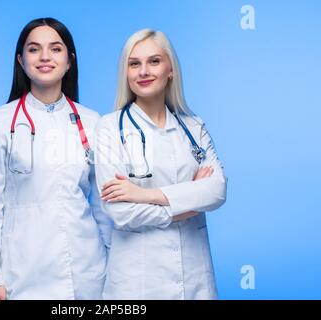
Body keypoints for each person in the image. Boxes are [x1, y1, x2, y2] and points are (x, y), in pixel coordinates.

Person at [0, 17, 111, 300]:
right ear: (21, 60)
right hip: (23, 272)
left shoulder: (93, 122)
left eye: (56, 49)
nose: (45, 57)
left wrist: (115, 268)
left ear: (70, 61)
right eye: (34, 49)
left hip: (87, 268)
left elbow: (102, 206)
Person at [94, 29, 227, 299]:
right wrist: (189, 201)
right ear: (126, 73)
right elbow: (121, 214)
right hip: (138, 283)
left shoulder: (193, 127)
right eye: (134, 64)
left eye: (154, 61)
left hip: (194, 279)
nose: (143, 71)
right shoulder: (109, 128)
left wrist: (144, 195)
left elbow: (217, 191)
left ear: (171, 70)